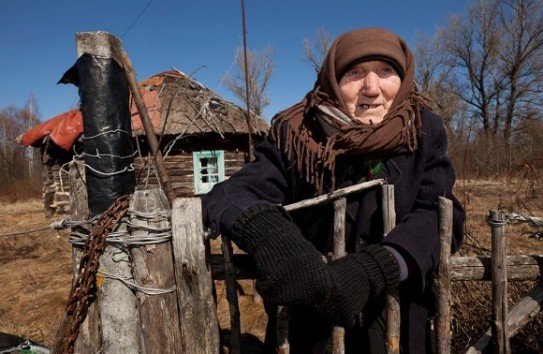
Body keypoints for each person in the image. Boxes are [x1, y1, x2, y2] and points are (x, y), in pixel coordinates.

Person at [202, 27, 465, 353]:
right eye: (355, 72)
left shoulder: (423, 130)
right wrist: (273, 236)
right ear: (332, 79)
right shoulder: (297, 134)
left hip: (399, 325)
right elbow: (231, 194)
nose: (371, 88)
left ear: (403, 78)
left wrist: (377, 268)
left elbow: (440, 212)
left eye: (385, 71)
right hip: (311, 327)